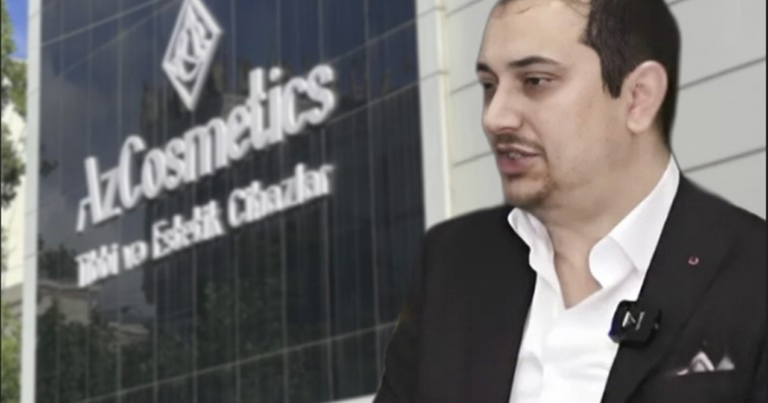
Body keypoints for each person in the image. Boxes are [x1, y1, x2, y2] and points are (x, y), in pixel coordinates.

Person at [373, 0, 766, 402]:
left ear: (639, 97)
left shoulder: (752, 272)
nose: (494, 117)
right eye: (489, 85)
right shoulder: (450, 265)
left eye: (535, 80)